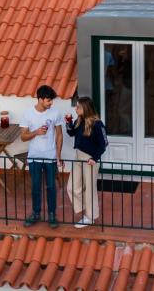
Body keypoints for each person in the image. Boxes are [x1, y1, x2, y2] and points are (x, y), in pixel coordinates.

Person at [20, 85, 63, 228]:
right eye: (48, 101)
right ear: (40, 99)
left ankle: (52, 214)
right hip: (34, 157)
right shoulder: (28, 114)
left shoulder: (55, 113)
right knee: (35, 187)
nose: (51, 103)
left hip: (50, 156)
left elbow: (59, 134)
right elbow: (23, 137)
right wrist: (36, 133)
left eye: (51, 101)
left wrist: (58, 155)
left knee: (51, 186)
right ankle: (36, 213)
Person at [65, 97, 108, 228]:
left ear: (85, 108)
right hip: (78, 158)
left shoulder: (97, 124)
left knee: (90, 189)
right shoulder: (79, 121)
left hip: (89, 160)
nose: (75, 109)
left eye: (78, 107)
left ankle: (90, 217)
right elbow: (71, 133)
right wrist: (68, 122)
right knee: (71, 187)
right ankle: (87, 210)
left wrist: (94, 158)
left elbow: (104, 143)